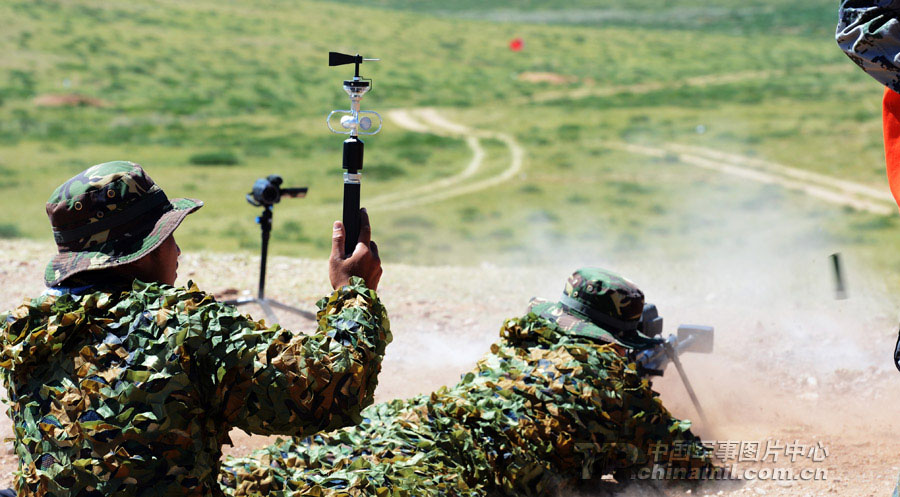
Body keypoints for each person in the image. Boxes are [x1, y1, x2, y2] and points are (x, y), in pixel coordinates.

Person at [0, 161, 388, 496]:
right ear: (148, 249)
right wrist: (353, 291)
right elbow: (329, 391)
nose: (178, 251)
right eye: (169, 236)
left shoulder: (28, 331)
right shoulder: (184, 326)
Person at [220, 268, 715, 496]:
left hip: (413, 425)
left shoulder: (520, 345)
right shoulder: (616, 386)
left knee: (282, 475)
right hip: (455, 474)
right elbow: (690, 468)